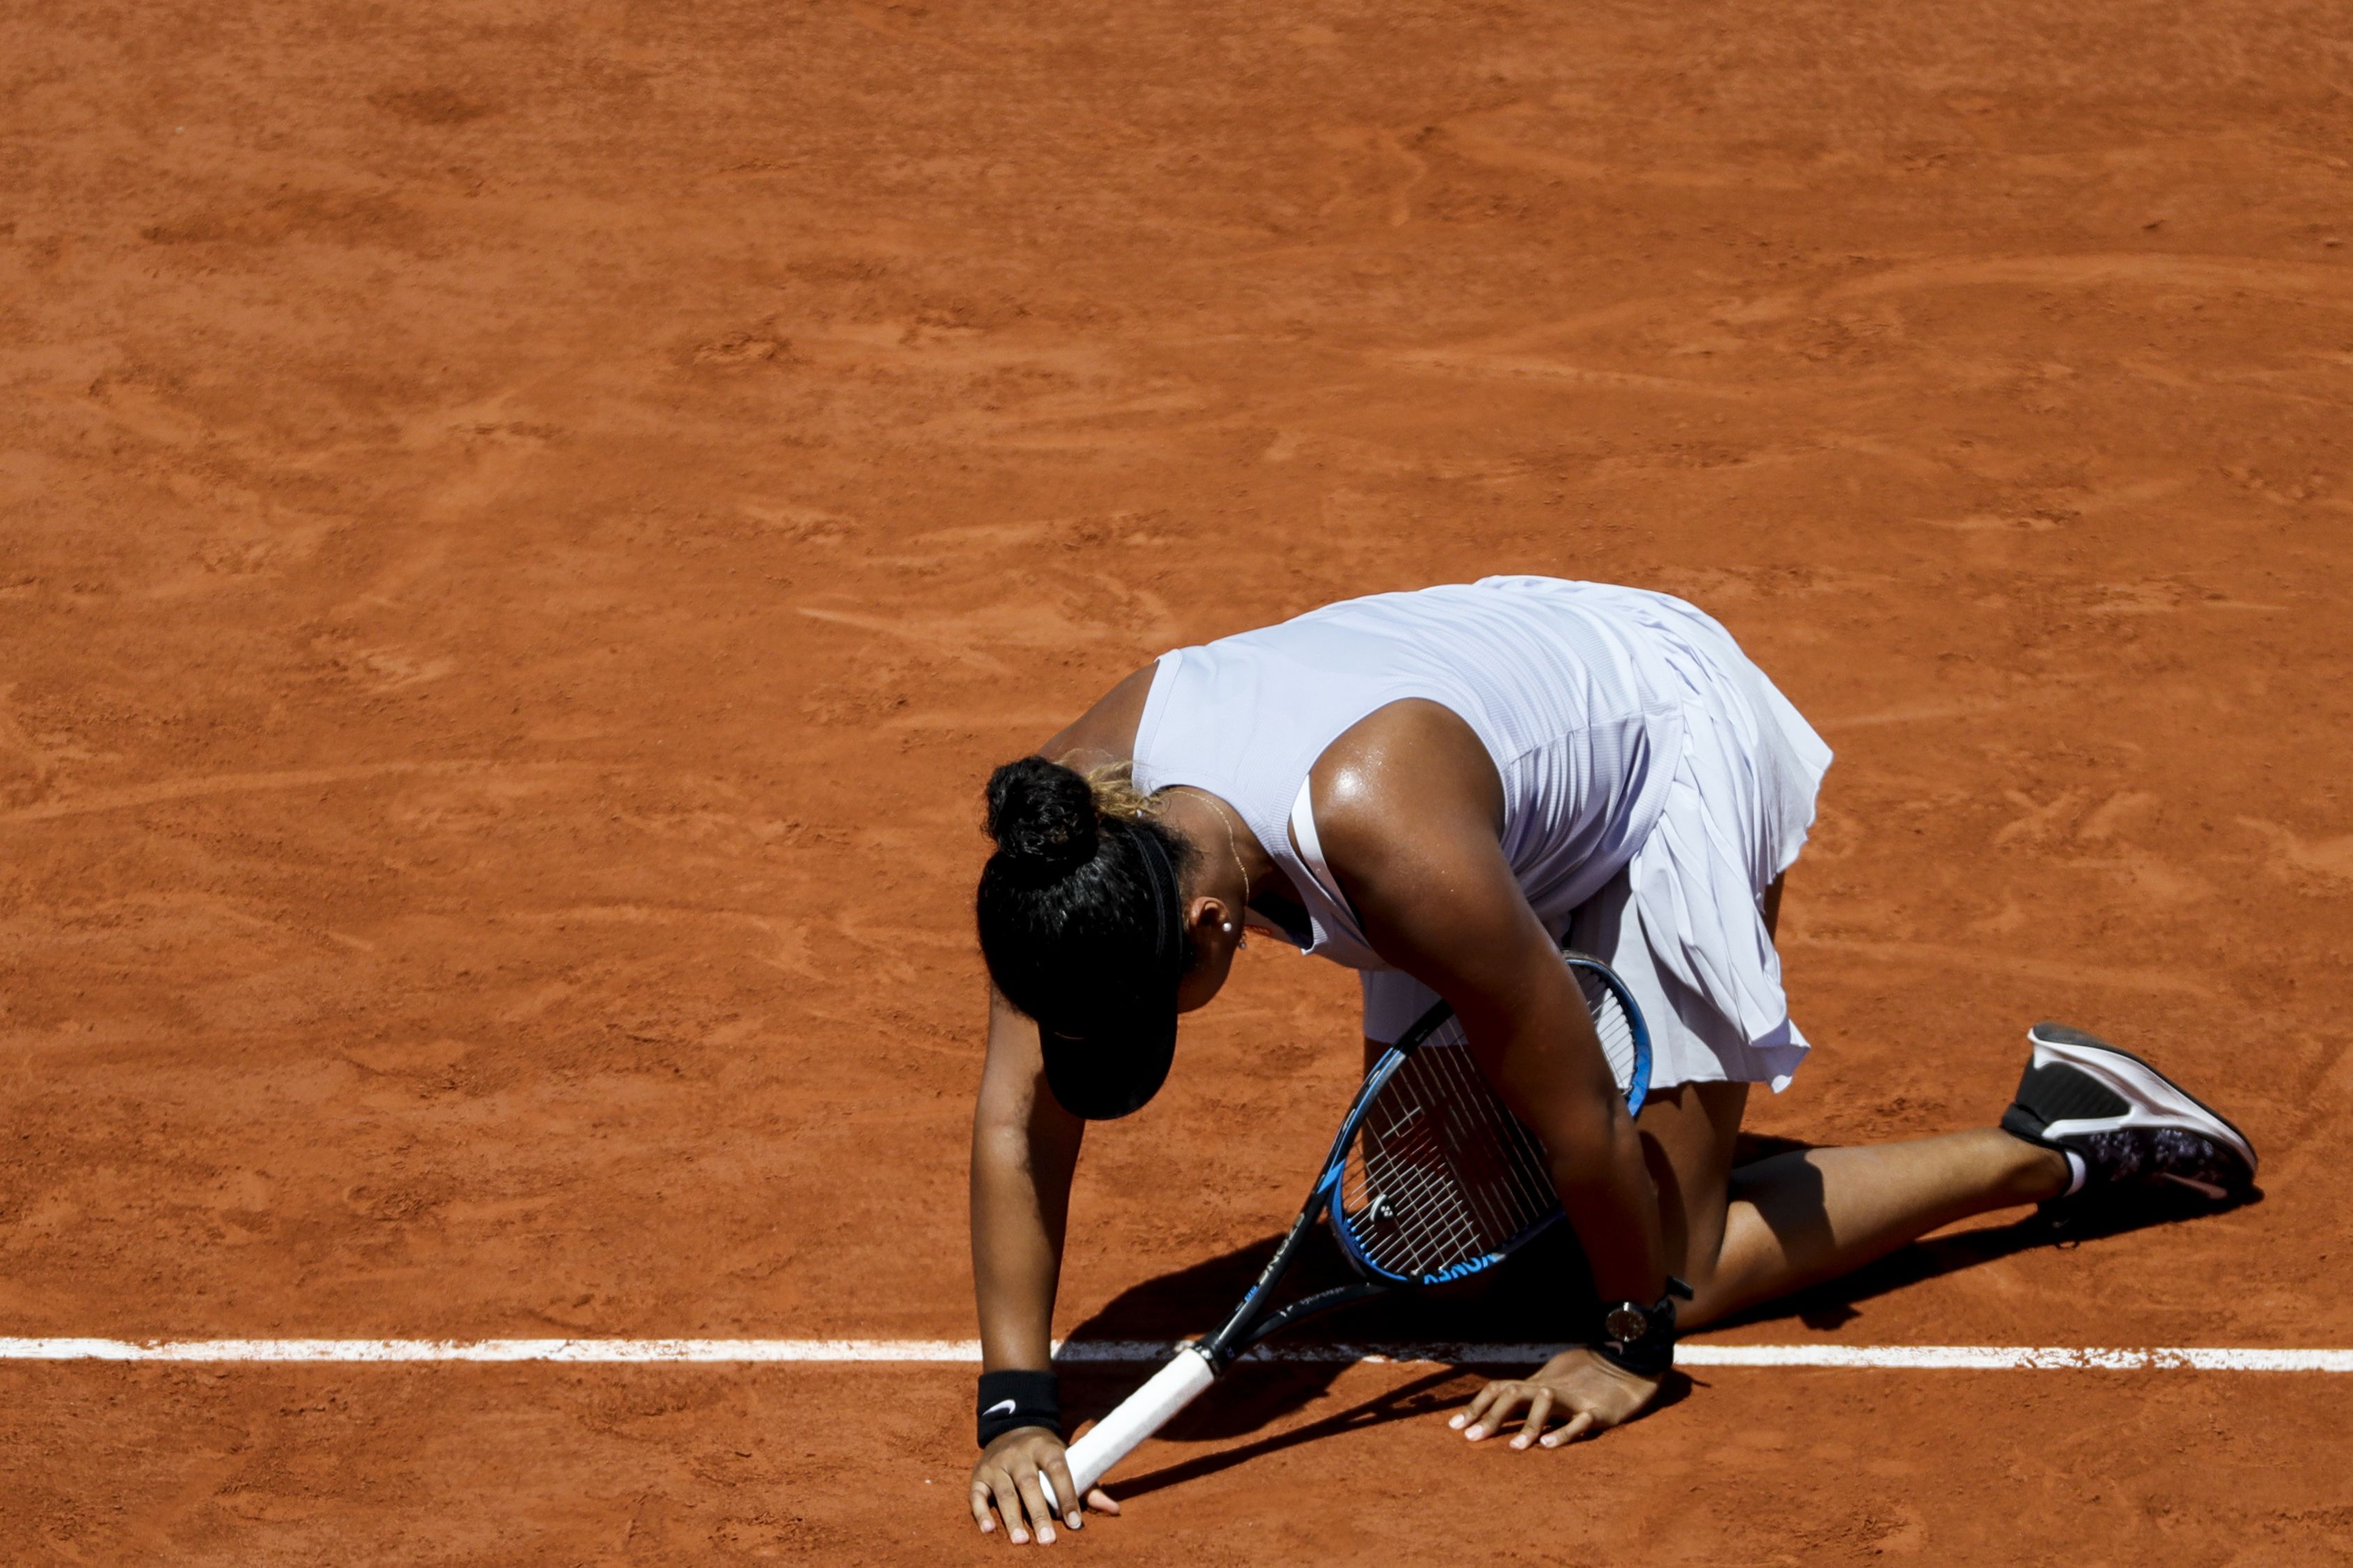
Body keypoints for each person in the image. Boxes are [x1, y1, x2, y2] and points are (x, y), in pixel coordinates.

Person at [963, 576, 2256, 1545]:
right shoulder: (1076, 833)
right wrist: (1017, 1400)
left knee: (1668, 1264)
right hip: (1463, 808)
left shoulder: (1379, 837)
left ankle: (2053, 1138)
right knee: (1464, 1285)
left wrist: (1634, 1340)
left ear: (1206, 925)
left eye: (1159, 1016)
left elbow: (1575, 1107)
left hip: (1649, 750)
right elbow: (1021, 1114)